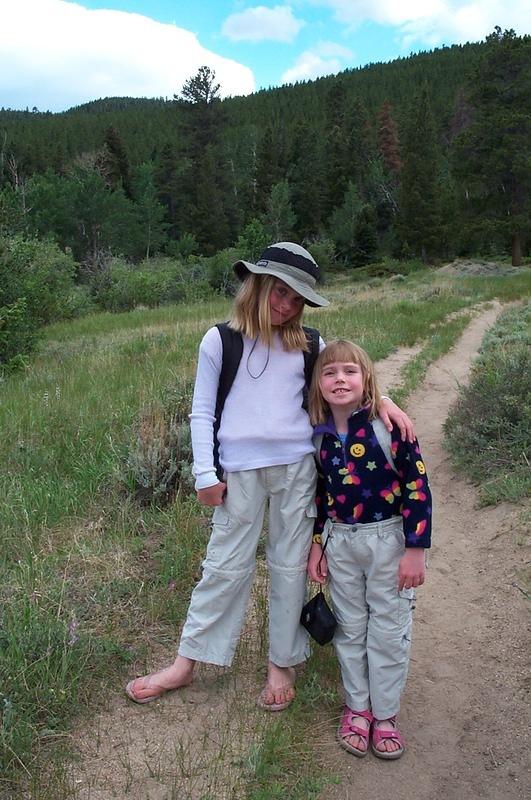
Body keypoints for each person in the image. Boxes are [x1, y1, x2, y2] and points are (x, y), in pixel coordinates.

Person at [125, 243, 413, 710]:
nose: (286, 306)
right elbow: (202, 411)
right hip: (238, 472)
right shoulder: (220, 340)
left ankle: (282, 661)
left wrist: (384, 401)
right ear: (256, 285)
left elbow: (346, 380)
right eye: (280, 292)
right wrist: (204, 472)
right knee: (224, 564)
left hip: (297, 469)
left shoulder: (310, 344)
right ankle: (188, 661)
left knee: (288, 565)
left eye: (297, 299)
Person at [307, 339, 431, 758]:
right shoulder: (319, 437)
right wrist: (318, 544)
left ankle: (386, 714)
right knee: (350, 625)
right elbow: (322, 496)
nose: (340, 379)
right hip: (342, 542)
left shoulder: (390, 427)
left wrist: (416, 548)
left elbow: (417, 487)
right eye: (330, 373)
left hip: (390, 540)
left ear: (367, 379)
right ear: (318, 384)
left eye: (350, 372)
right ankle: (357, 707)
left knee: (390, 625)